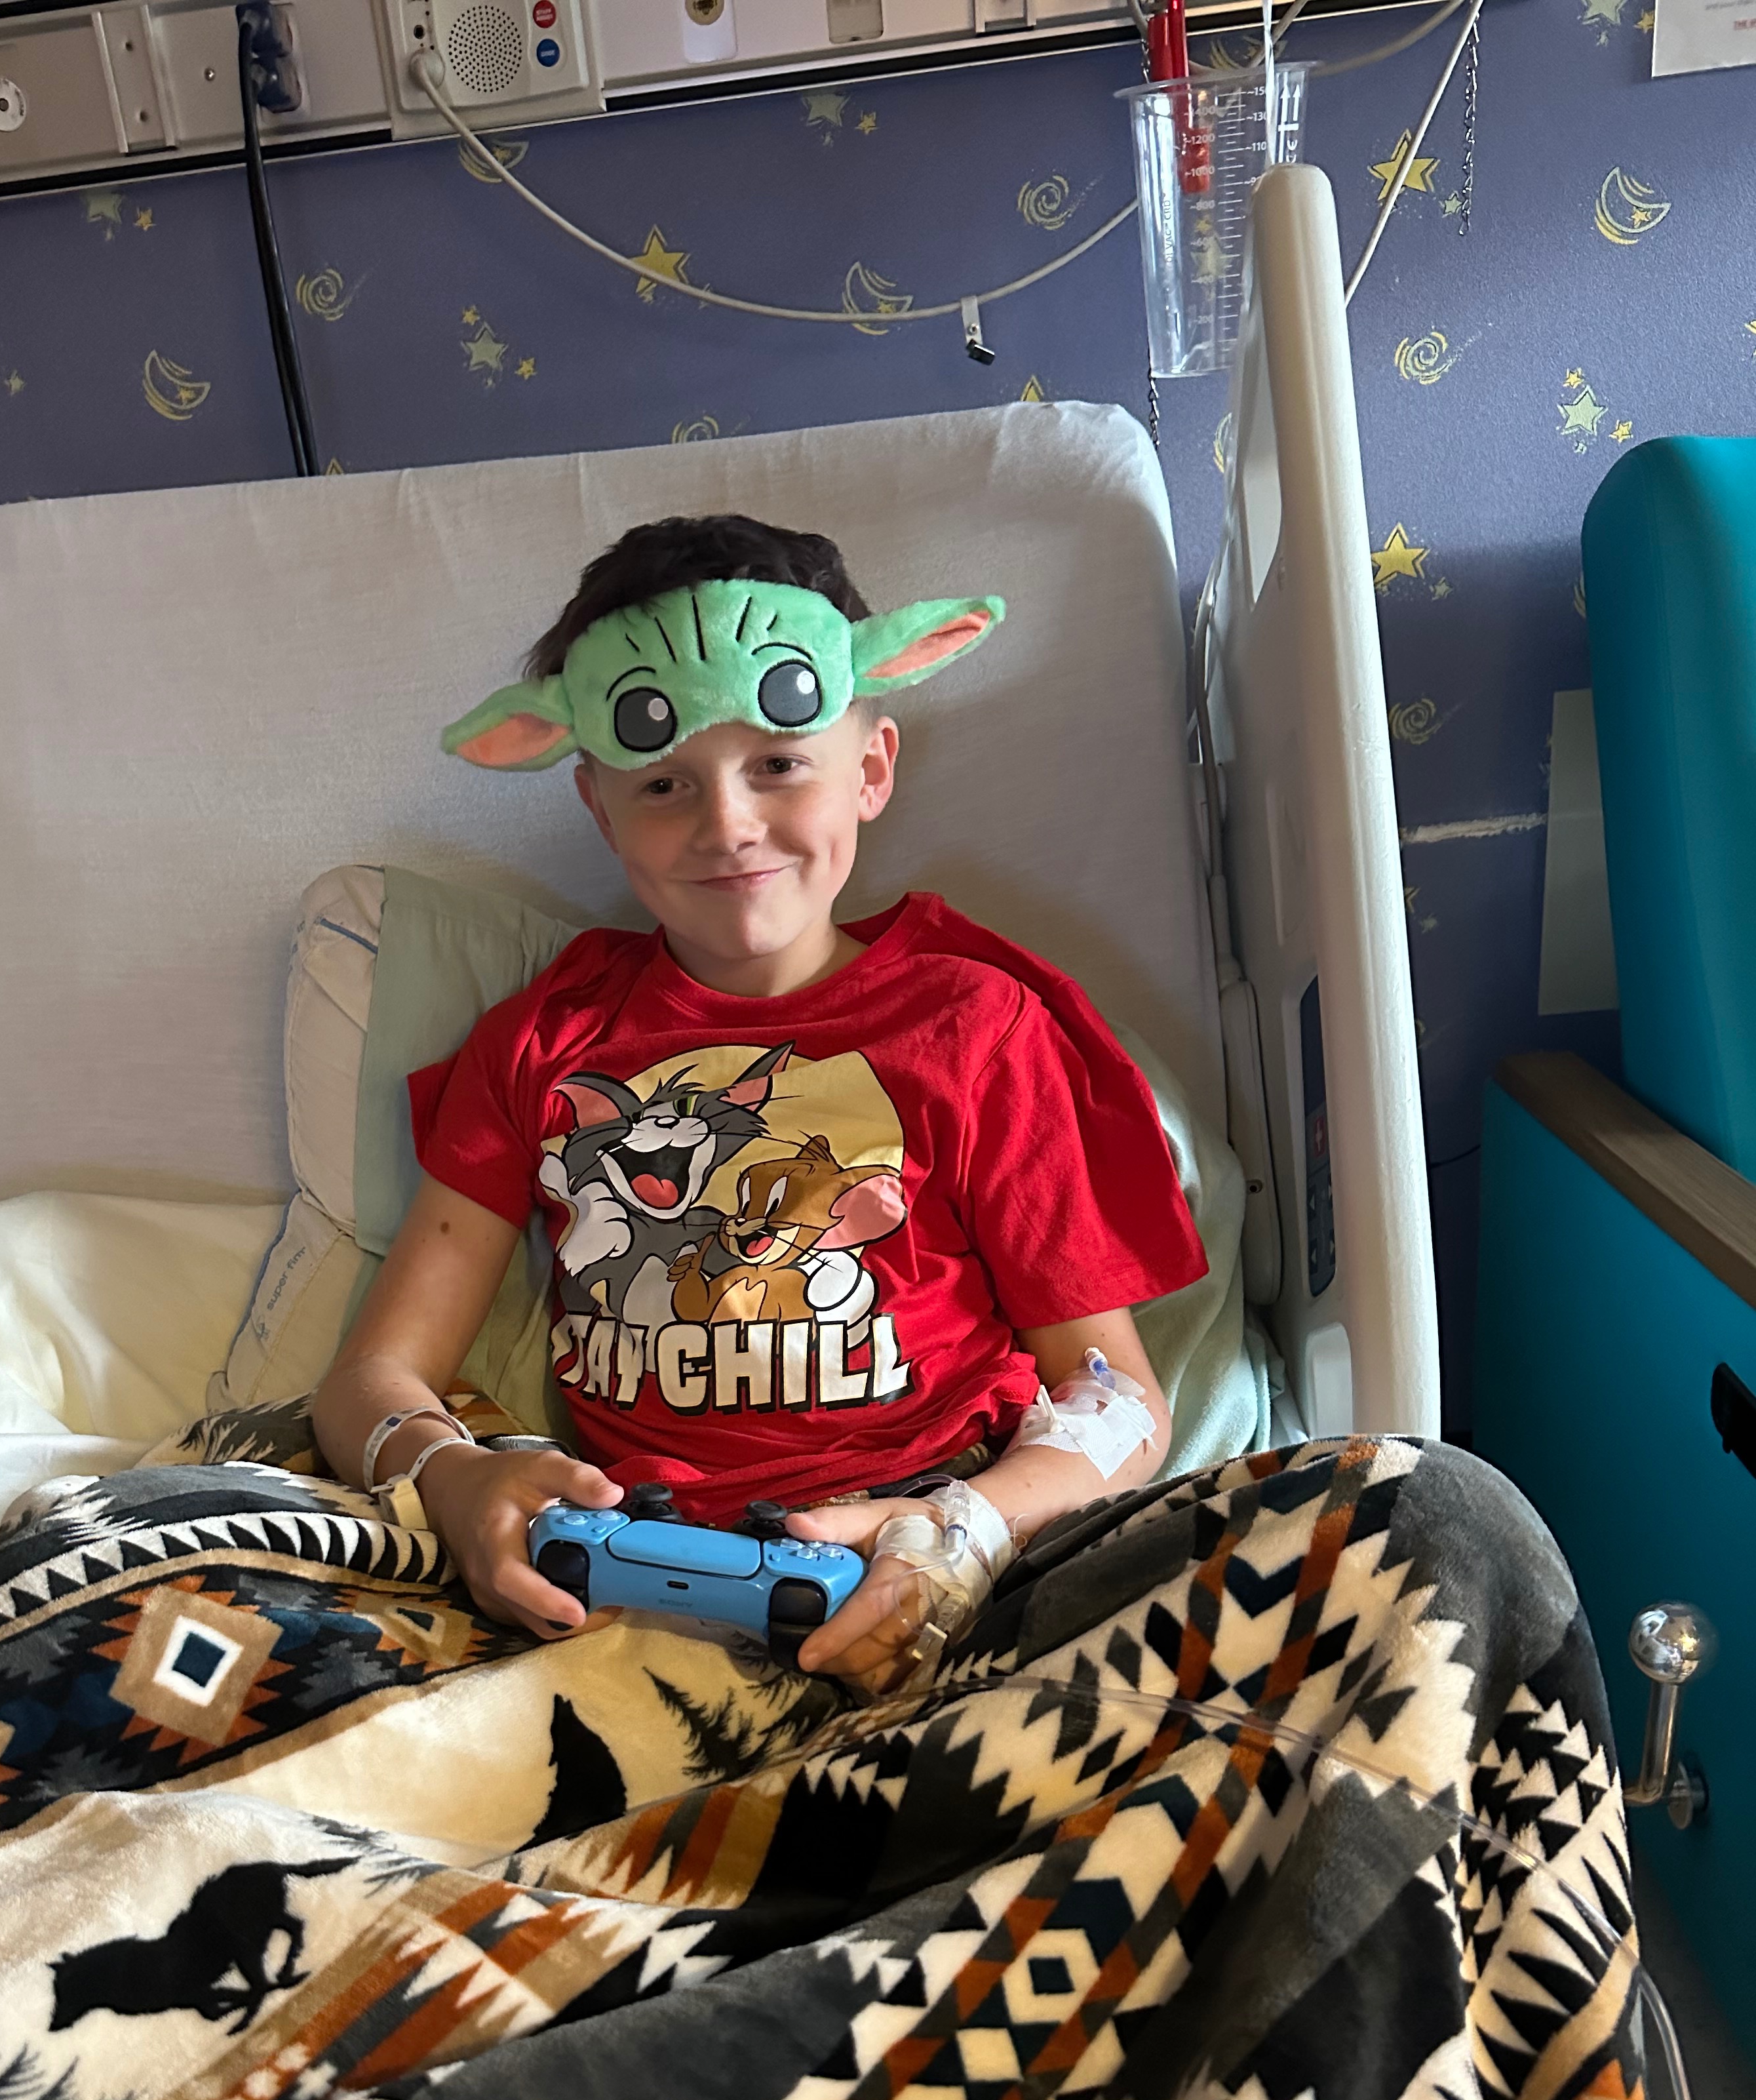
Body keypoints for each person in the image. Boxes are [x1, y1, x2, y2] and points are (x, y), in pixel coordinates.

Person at [313, 514, 1207, 1694]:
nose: (728, 825)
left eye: (779, 765)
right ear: (599, 808)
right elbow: (367, 1383)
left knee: (1404, 1505)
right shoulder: (540, 1044)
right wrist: (454, 1475)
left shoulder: (977, 1027)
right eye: (664, 784)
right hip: (629, 1586)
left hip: (955, 1555)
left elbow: (1118, 1401)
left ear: (871, 769)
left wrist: (960, 1531)